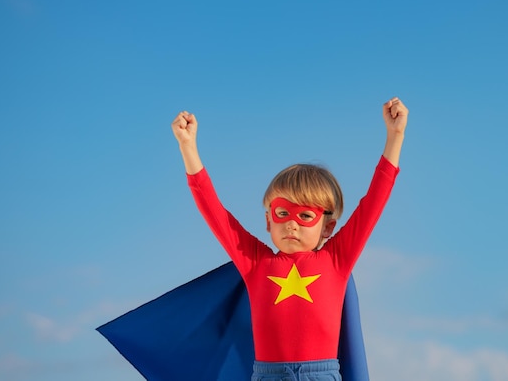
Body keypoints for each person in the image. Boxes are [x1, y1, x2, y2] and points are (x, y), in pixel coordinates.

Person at [171, 97, 408, 381]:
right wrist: (188, 147)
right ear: (268, 220)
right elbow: (215, 212)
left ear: (328, 227)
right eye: (283, 212)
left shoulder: (336, 259)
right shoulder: (255, 262)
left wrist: (395, 136)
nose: (292, 224)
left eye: (305, 215)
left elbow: (374, 202)